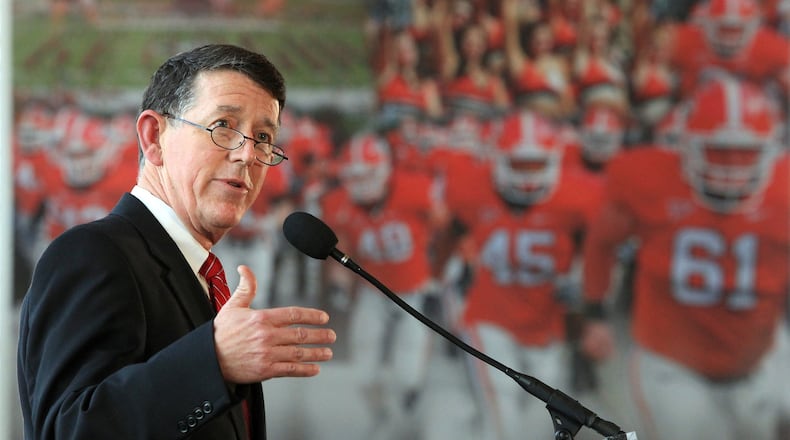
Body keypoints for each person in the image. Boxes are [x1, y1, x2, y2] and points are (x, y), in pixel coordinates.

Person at [17, 43, 337, 440]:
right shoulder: (93, 254)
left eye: (264, 137)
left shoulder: (198, 274)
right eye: (224, 126)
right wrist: (213, 361)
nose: (247, 154)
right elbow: (67, 431)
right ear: (154, 137)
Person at [580, 77, 789, 440]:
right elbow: (602, 243)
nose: (731, 167)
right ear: (687, 145)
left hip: (760, 359)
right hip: (672, 366)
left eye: (746, 152)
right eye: (717, 150)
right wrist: (595, 314)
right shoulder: (647, 178)